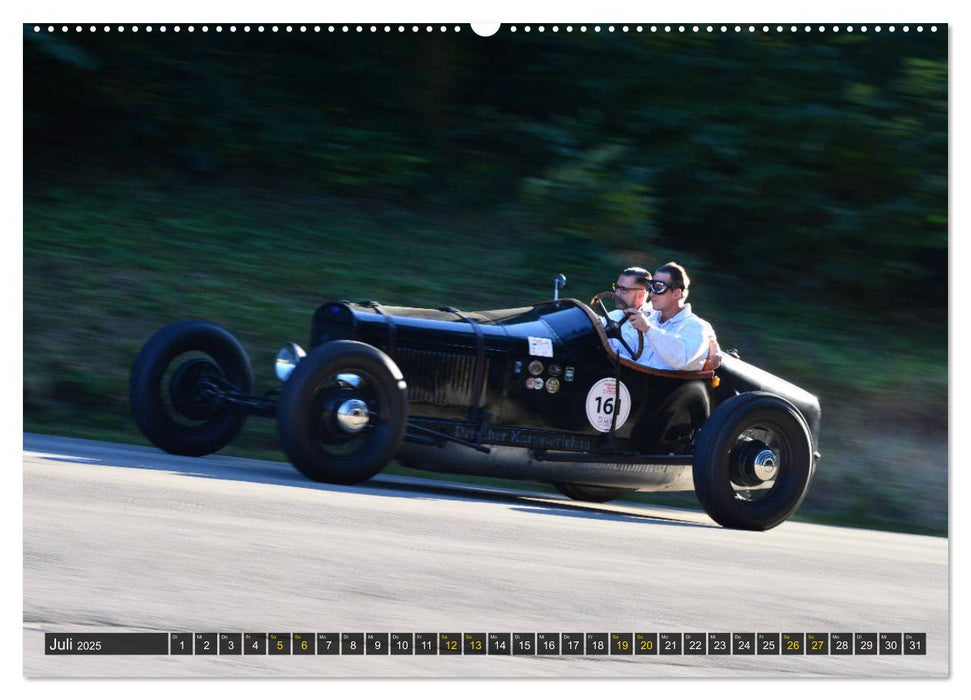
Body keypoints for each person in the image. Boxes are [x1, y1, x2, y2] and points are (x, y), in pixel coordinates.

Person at [619, 262, 717, 371]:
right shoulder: (649, 315)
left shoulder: (695, 327)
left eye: (658, 287)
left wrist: (648, 329)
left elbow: (680, 358)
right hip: (629, 378)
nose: (651, 294)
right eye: (651, 287)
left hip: (660, 385)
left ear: (676, 293)